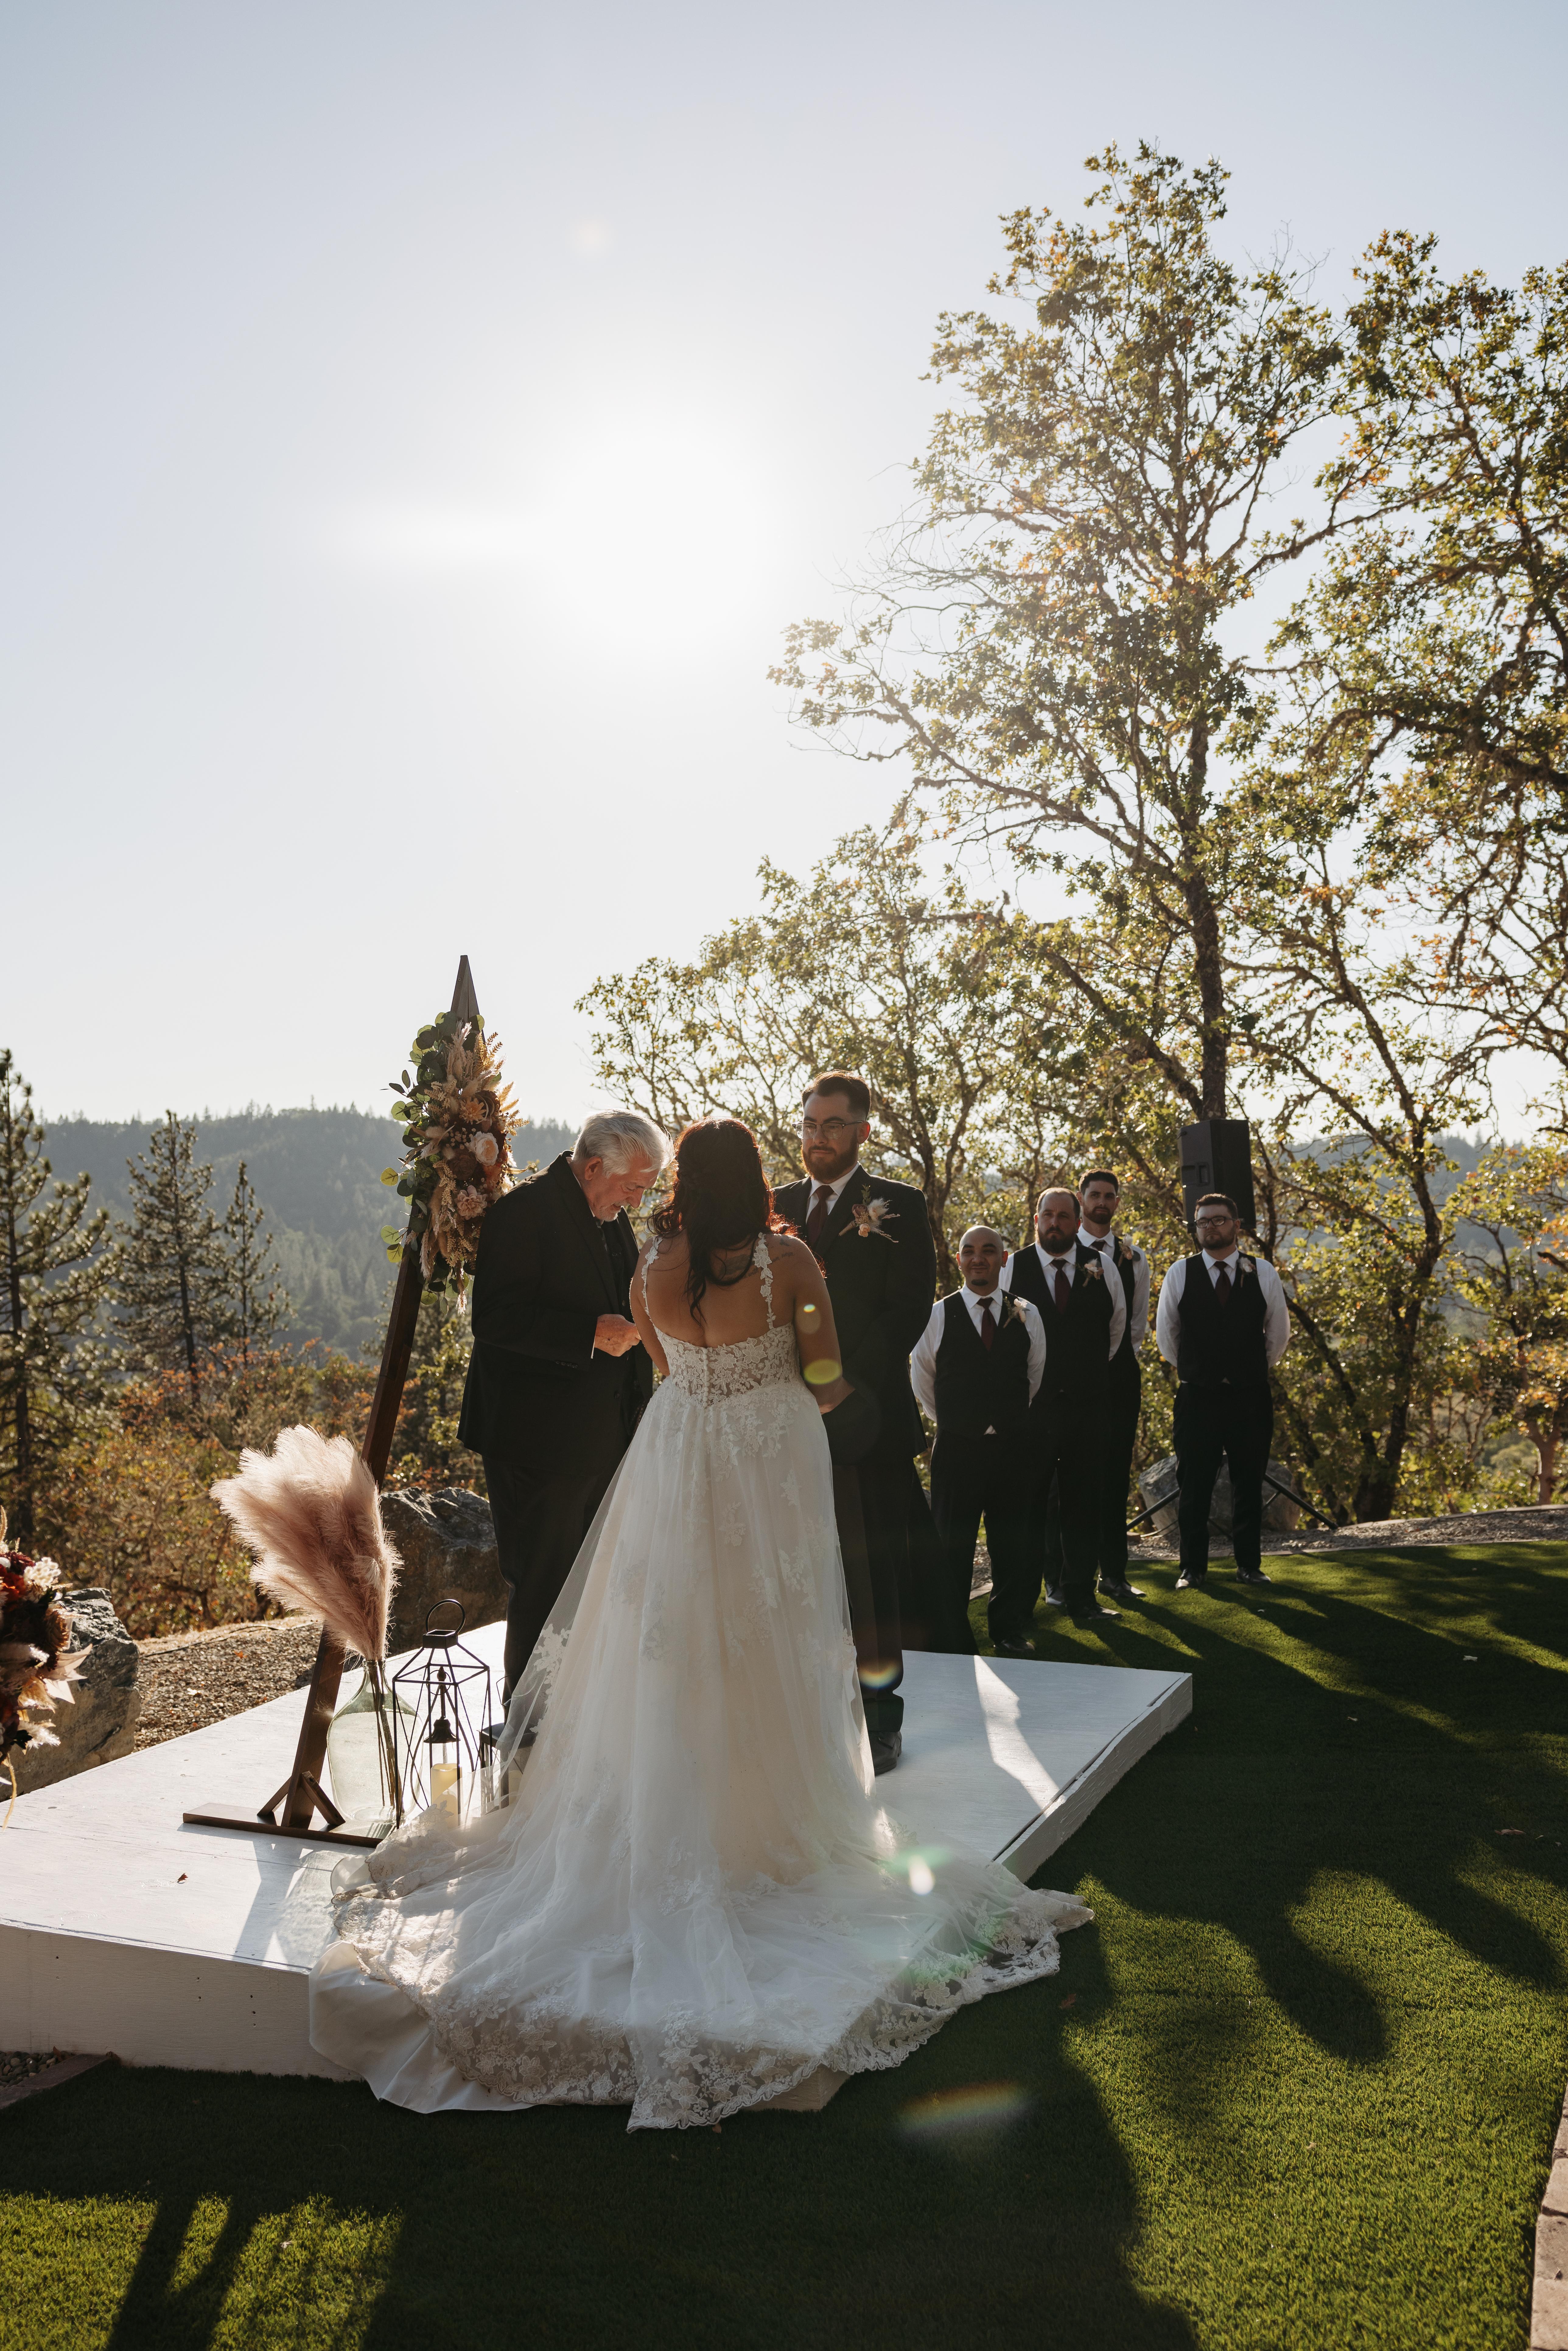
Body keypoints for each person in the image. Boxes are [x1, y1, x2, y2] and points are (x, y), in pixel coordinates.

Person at [309, 1116, 1089, 2127]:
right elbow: (821, 1374)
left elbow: (670, 1373)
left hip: (676, 1455)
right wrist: (851, 1418)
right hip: (769, 1458)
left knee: (670, 1637)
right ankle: (762, 1823)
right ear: (756, 1178)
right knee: (767, 1634)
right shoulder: (789, 1260)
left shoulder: (650, 1264)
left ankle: (675, 1813)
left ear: (682, 1180)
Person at [458, 1109, 670, 1697]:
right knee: (544, 1585)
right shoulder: (523, 1213)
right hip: (537, 1442)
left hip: (602, 1436)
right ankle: (529, 1724)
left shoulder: (608, 1215)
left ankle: (577, 1718)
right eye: (633, 1186)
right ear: (594, 1167)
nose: (636, 1201)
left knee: (593, 1584)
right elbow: (494, 1319)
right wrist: (589, 1334)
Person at [773, 1074, 937, 1771]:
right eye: (810, 1124)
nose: (818, 1137)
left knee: (870, 1576)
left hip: (867, 1419)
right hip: (783, 1421)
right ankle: (801, 1714)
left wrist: (835, 1383)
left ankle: (879, 1718)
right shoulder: (775, 1205)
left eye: (833, 1125)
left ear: (863, 1131)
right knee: (794, 1567)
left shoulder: (899, 1204)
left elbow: (908, 1307)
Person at [998, 1187, 1125, 1644]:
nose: (1055, 1223)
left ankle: (1082, 1598)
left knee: (1083, 1506)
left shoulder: (1103, 1265)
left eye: (1064, 1216)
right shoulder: (1013, 1267)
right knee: (1029, 1508)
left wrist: (1083, 1375)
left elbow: (1117, 1331)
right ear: (1036, 1220)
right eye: (1047, 1215)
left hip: (1088, 1410)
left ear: (1077, 1221)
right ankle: (1023, 1603)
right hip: (1034, 1412)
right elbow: (1004, 1330)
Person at [911, 1227, 1045, 1648]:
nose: (978, 1258)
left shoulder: (1027, 1313)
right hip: (957, 1450)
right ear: (959, 1260)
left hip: (1012, 1448)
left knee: (1011, 1545)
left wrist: (1004, 1419)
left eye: (989, 1251)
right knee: (952, 1546)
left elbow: (1034, 1376)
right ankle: (952, 1637)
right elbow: (923, 1380)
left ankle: (1007, 1630)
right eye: (969, 1251)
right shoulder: (937, 1315)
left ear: (1004, 1259)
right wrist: (958, 1422)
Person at [1154, 1191, 1291, 1591]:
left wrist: (1249, 1371)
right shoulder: (1180, 1272)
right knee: (1194, 1484)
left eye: (1218, 1220)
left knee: (1249, 1482)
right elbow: (1167, 1335)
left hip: (1250, 1397)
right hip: (1198, 1397)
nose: (1210, 1228)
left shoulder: (1262, 1271)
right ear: (1196, 1229)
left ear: (1236, 1225)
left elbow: (1278, 1333)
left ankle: (1249, 1566)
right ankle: (1192, 1569)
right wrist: (1198, 1371)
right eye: (1203, 1222)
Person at [1078, 1170, 1151, 1605]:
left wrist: (1116, 1363)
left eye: (1109, 1196)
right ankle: (1066, 1578)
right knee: (1068, 1480)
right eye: (1095, 1195)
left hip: (1120, 1377)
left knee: (1115, 1476)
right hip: (1071, 1380)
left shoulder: (1134, 1258)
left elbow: (1136, 1324)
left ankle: (1114, 1575)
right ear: (1082, 1200)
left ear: (1118, 1202)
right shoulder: (1061, 1251)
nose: (1102, 1202)